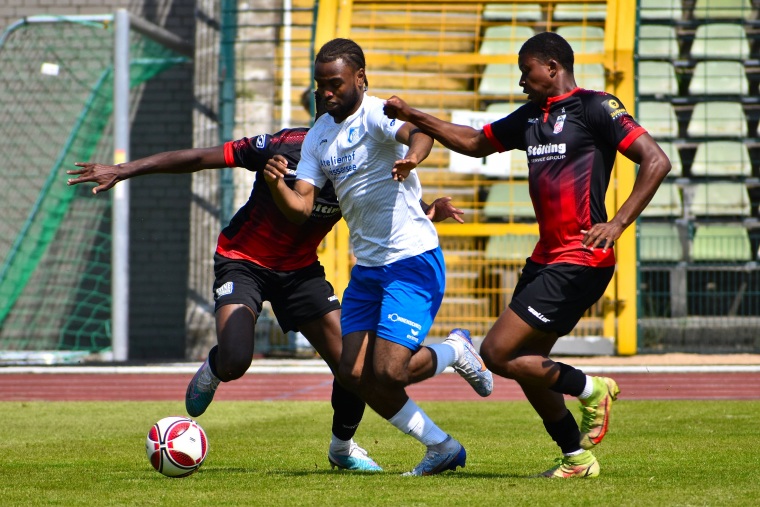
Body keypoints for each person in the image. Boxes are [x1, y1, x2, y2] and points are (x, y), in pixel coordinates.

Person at [65, 90, 464, 472]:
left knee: (350, 366)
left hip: (301, 272)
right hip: (244, 262)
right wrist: (124, 169)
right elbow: (201, 158)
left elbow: (379, 204)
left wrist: (429, 211)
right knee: (238, 357)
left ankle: (342, 448)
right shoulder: (283, 146)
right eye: (321, 97)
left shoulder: (357, 160)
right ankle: (216, 367)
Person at [383, 31, 672, 478]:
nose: (521, 81)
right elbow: (476, 142)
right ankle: (576, 458)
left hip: (582, 257)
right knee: (530, 366)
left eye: (526, 71)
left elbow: (656, 161)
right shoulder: (531, 117)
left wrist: (616, 224)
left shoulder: (597, 106)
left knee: (497, 353)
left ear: (552, 67)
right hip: (546, 257)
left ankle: (592, 389)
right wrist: (412, 114)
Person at [263, 37, 494, 477]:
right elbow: (303, 209)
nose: (326, 92)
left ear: (360, 79)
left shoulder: (375, 114)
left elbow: (419, 133)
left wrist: (411, 160)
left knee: (390, 372)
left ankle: (455, 350)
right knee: (352, 374)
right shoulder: (317, 138)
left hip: (411, 260)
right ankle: (442, 447)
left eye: (335, 83)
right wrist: (278, 186)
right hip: (368, 269)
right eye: (320, 85)